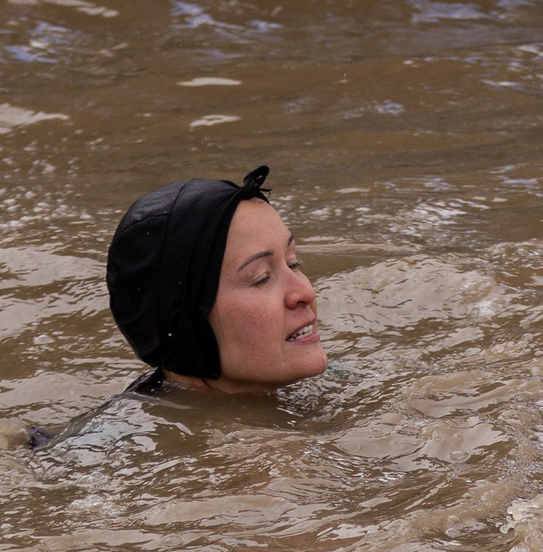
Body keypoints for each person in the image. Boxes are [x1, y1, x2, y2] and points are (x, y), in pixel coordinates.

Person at [30, 164, 325, 449]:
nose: (305, 291)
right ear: (187, 322)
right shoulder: (117, 448)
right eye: (260, 279)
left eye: (293, 263)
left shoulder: (335, 382)